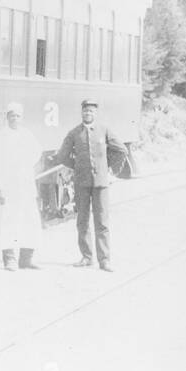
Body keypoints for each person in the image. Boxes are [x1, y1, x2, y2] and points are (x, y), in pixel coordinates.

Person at [53, 98, 128, 272]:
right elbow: (62, 156)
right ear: (82, 113)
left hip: (101, 184)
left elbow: (121, 150)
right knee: (82, 220)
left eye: (91, 111)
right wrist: (78, 166)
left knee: (102, 222)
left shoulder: (104, 130)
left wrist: (108, 168)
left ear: (96, 113)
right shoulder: (74, 133)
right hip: (81, 183)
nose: (88, 114)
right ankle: (87, 257)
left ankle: (104, 260)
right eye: (85, 111)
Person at [0, 102, 43, 271]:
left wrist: (25, 165)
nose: (15, 119)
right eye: (12, 115)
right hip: (7, 186)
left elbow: (37, 152)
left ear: (22, 118)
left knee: (29, 221)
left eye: (18, 116)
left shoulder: (27, 135)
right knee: (7, 222)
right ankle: (10, 259)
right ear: (7, 117)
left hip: (24, 185)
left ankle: (26, 259)